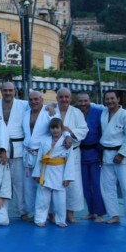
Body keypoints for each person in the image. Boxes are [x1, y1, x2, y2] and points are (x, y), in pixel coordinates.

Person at [48, 87, 88, 224]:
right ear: (57, 98)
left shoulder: (77, 113)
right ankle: (52, 213)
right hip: (55, 153)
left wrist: (68, 132)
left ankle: (70, 213)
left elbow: (83, 130)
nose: (64, 99)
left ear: (70, 99)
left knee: (73, 184)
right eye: (61, 97)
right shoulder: (51, 111)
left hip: (73, 152)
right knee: (54, 182)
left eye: (67, 97)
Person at [99, 90, 126, 227]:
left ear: (119, 99)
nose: (109, 101)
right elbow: (90, 104)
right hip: (106, 154)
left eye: (112, 98)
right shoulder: (103, 112)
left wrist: (121, 154)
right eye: (107, 99)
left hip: (122, 154)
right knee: (107, 187)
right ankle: (114, 215)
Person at [0, 82, 28, 220]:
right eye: (5, 90)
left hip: (17, 148)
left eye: (10, 90)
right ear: (1, 90)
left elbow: (41, 107)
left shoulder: (24, 104)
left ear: (15, 91)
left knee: (19, 183)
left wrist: (52, 109)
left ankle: (22, 211)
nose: (7, 93)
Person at [32, 118, 75, 228]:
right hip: (45, 171)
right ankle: (40, 219)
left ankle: (60, 220)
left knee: (60, 200)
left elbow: (70, 161)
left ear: (61, 129)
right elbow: (39, 158)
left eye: (57, 128)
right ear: (49, 129)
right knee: (42, 198)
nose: (55, 130)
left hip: (59, 172)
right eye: (53, 128)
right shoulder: (44, 141)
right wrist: (37, 173)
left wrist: (68, 177)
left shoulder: (67, 143)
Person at [21, 91, 52, 222]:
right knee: (28, 186)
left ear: (42, 99)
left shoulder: (48, 112)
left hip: (42, 154)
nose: (33, 102)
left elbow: (59, 126)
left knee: (43, 185)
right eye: (31, 99)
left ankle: (47, 213)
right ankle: (31, 212)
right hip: (28, 153)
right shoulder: (26, 113)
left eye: (36, 99)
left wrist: (67, 138)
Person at [76, 92, 106, 221]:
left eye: (85, 101)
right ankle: (91, 211)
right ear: (76, 102)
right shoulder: (75, 112)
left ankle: (100, 213)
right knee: (85, 185)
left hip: (95, 152)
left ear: (90, 100)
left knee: (96, 184)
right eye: (80, 101)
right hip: (80, 153)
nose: (83, 104)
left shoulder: (99, 112)